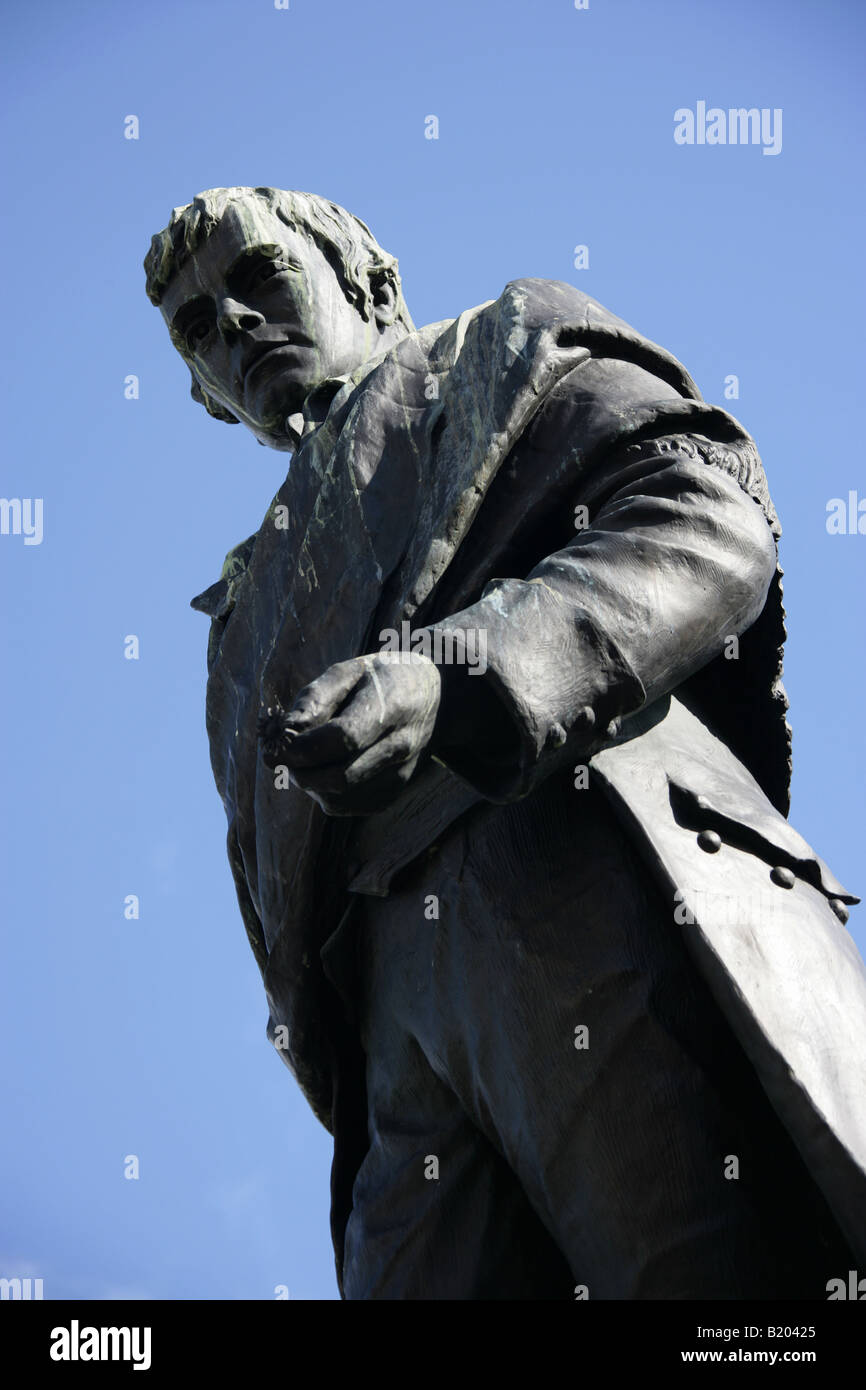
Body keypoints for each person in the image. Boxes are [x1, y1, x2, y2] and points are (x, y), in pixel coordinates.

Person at [145, 186, 866, 1299]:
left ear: (366, 281)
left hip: (571, 872)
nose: (231, 324)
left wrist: (456, 674)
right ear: (201, 394)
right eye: (196, 327)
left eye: (259, 278)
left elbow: (701, 516)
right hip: (390, 1037)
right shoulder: (236, 625)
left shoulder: (501, 347)